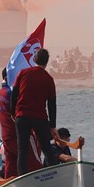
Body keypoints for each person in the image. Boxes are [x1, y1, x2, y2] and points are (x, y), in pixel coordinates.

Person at [11, 48, 58, 176]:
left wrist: (12, 113)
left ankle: (22, 177)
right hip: (40, 117)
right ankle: (54, 175)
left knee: (22, 149)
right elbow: (52, 104)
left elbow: (14, 94)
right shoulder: (49, 78)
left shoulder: (22, 73)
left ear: (34, 59)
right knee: (46, 149)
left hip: (22, 116)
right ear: (47, 62)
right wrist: (52, 125)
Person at [0, 69, 18, 179]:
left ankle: (8, 185)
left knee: (10, 164)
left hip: (5, 134)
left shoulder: (0, 93)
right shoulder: (10, 93)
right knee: (27, 159)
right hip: (14, 134)